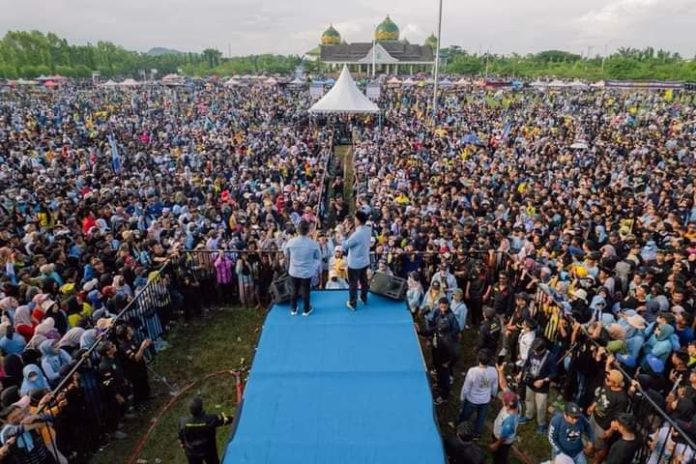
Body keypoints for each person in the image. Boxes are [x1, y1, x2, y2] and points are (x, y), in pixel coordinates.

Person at [421, 297, 461, 404]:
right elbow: (433, 328)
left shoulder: (449, 335)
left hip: (445, 358)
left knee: (445, 377)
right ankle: (439, 385)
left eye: (445, 306)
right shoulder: (438, 315)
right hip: (438, 350)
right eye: (441, 306)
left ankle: (444, 396)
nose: (443, 308)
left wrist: (448, 362)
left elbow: (455, 354)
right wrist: (421, 332)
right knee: (438, 371)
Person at [178, 397, 233, 464]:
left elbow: (180, 436)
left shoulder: (182, 421)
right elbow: (225, 420)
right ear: (201, 408)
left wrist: (184, 448)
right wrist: (232, 417)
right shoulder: (210, 419)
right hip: (208, 450)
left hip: (192, 453)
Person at [282, 219, 320, 316]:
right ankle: (306, 310)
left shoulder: (291, 242)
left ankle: (293, 309)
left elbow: (286, 253)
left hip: (294, 271)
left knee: (294, 289)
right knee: (305, 291)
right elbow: (318, 257)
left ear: (298, 230)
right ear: (307, 230)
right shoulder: (313, 244)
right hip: (306, 272)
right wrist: (312, 266)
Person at [519, 337, 556, 433]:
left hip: (542, 386)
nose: (534, 353)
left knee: (541, 406)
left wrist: (544, 380)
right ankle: (528, 415)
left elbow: (554, 373)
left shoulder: (550, 357)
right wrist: (521, 373)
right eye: (534, 350)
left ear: (543, 349)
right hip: (530, 382)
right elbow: (527, 364)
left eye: (537, 351)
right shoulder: (531, 352)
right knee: (528, 399)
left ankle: (541, 424)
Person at [459, 350, 498, 438]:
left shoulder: (473, 371)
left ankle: (461, 429)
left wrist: (462, 398)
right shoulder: (493, 371)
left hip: (471, 399)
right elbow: (495, 386)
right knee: (481, 418)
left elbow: (466, 387)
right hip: (485, 400)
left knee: (465, 416)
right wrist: (493, 395)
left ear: (479, 359)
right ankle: (477, 433)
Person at [343, 211, 371, 311]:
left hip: (355, 264)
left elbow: (345, 245)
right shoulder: (368, 229)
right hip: (365, 261)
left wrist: (344, 234)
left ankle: (352, 303)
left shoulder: (357, 235)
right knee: (364, 281)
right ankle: (364, 298)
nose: (354, 220)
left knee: (353, 284)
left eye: (355, 218)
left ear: (358, 220)